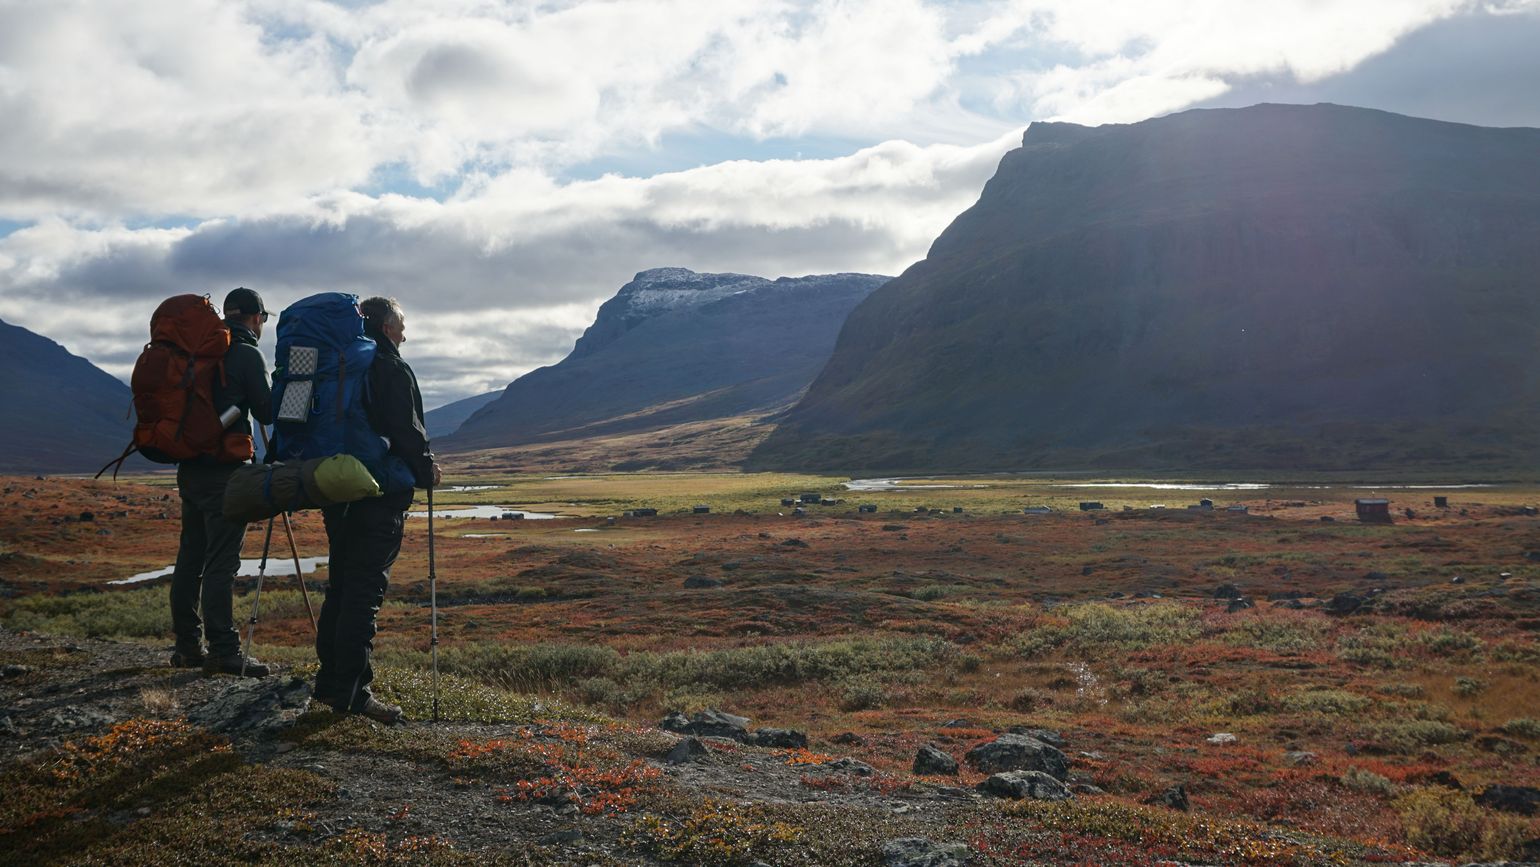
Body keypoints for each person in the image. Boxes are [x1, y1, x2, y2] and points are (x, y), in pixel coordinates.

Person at [315, 296, 440, 723]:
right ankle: (353, 693)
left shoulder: (340, 364)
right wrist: (426, 472)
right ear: (388, 327)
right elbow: (407, 430)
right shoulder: (390, 366)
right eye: (401, 326)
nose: (405, 334)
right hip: (379, 493)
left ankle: (330, 683)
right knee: (364, 594)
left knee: (341, 587)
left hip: (337, 487)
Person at [170, 287, 274, 676]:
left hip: (190, 467)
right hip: (224, 472)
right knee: (221, 563)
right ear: (255, 317)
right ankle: (224, 650)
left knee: (190, 558)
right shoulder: (246, 352)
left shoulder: (197, 350)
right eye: (263, 318)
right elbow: (265, 409)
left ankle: (186, 646)